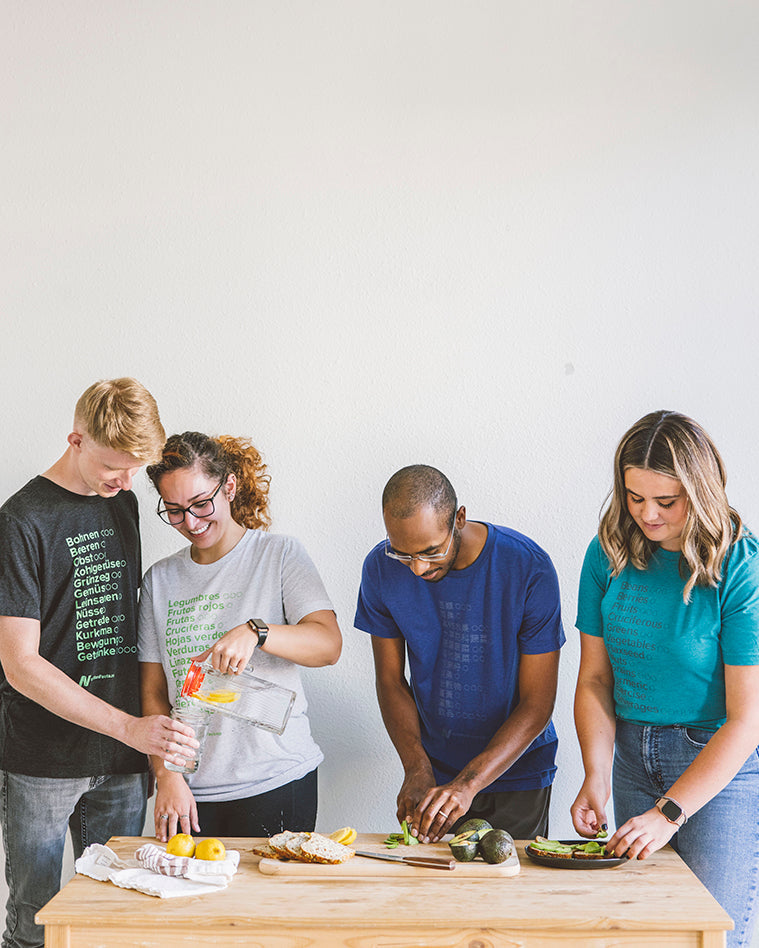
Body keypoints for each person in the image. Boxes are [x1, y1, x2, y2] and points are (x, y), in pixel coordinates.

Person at [0, 378, 197, 948]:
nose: (126, 481)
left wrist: (140, 740)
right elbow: (20, 665)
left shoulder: (123, 503)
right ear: (76, 439)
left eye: (136, 469)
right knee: (35, 923)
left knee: (114, 922)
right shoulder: (20, 521)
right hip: (42, 758)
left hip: (121, 762)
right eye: (115, 466)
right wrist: (131, 728)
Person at [571, 410, 759, 948]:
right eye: (634, 497)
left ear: (699, 492)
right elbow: (595, 681)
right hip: (631, 759)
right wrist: (595, 774)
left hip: (716, 771)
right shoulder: (607, 552)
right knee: (642, 936)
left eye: (666, 501)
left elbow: (748, 719)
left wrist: (669, 813)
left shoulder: (740, 565)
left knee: (713, 937)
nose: (647, 514)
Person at [138, 431, 341, 843]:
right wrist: (167, 775)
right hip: (191, 793)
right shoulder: (159, 580)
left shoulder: (279, 555)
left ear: (229, 486)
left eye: (201, 504)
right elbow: (153, 694)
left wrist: (257, 632)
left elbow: (328, 645)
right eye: (174, 511)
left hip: (277, 782)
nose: (191, 523)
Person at [354, 464, 564, 843]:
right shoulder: (380, 569)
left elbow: (538, 702)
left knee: (504, 880)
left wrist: (468, 784)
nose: (417, 568)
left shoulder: (527, 567)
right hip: (435, 776)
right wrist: (416, 768)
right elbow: (389, 680)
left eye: (431, 552)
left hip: (518, 775)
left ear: (459, 519)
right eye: (403, 554)